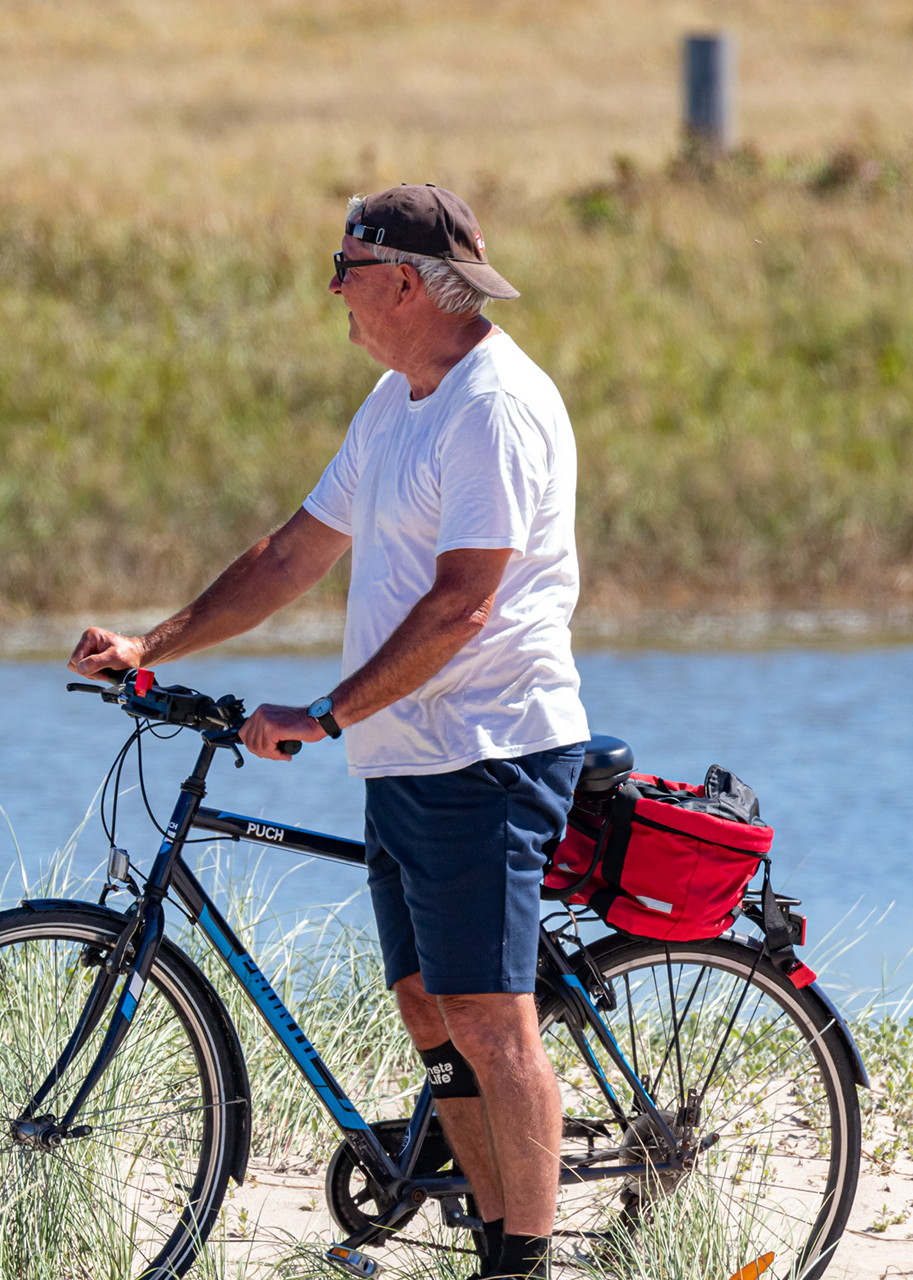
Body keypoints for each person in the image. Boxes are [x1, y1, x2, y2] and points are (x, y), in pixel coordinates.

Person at [68, 184, 588, 1280]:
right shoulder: (399, 400)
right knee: (429, 1014)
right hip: (405, 756)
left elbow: (464, 604)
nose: (332, 292)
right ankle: (497, 1243)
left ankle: (526, 1267)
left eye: (342, 269)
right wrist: (152, 646)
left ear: (405, 279)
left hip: (489, 752)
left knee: (493, 1026)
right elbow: (292, 553)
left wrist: (323, 712)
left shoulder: (494, 403)